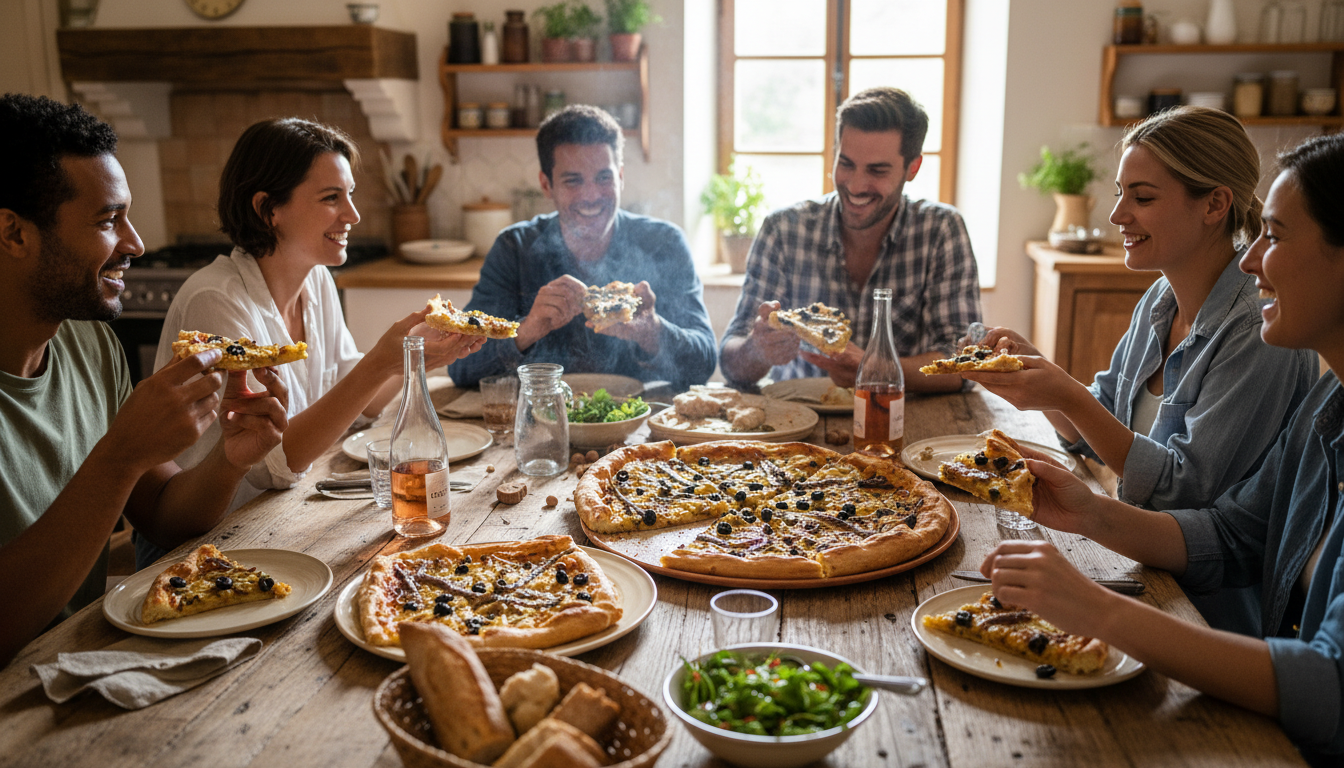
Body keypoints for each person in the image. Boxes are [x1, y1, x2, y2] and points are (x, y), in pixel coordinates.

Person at [980, 132, 1344, 766]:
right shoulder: (1325, 407)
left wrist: (1097, 610)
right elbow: (1232, 535)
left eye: (1276, 237)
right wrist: (1090, 514)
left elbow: (1330, 689)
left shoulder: (1255, 335)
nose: (1252, 260)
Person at [964, 107, 1318, 635]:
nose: (1117, 216)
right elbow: (1098, 430)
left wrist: (1068, 396)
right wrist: (1039, 377)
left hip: (1209, 614)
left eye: (1143, 197)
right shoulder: (1161, 297)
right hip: (1138, 567)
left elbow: (1181, 493)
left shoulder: (1256, 329)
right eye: (1120, 194)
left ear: (1215, 204)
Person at [0, 94, 289, 665]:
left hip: (77, 661)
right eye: (108, 221)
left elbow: (161, 513)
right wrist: (118, 456)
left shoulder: (89, 343)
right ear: (13, 233)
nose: (134, 243)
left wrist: (229, 459)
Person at [147, 118, 483, 565]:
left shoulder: (317, 280)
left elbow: (359, 402)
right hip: (208, 547)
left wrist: (416, 355)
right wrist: (381, 361)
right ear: (268, 208)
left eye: (350, 195)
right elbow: (276, 463)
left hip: (276, 521)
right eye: (331, 198)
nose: (353, 215)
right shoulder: (217, 301)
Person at [719, 86, 981, 391]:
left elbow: (966, 366)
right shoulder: (783, 229)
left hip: (901, 424)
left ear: (913, 168)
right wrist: (756, 349)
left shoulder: (941, 230)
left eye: (877, 170)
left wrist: (877, 368)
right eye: (846, 164)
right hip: (797, 420)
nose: (856, 185)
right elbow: (731, 363)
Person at [447, 105, 716, 390]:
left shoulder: (664, 243)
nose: (591, 195)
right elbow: (461, 367)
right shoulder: (514, 249)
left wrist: (652, 331)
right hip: (540, 422)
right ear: (546, 185)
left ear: (621, 177)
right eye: (573, 181)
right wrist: (528, 329)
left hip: (638, 424)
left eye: (604, 178)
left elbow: (704, 363)